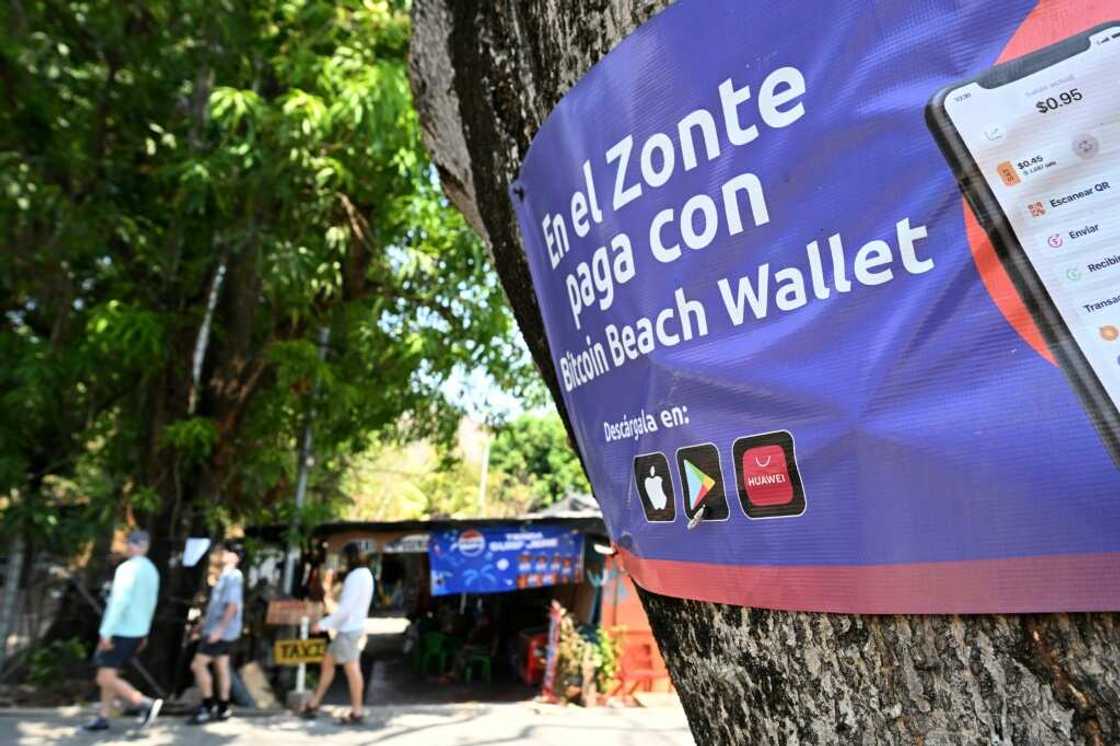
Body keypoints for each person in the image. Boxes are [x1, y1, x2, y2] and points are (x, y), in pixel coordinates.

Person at [83, 530, 163, 732]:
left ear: (137, 546)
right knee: (108, 673)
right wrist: (144, 632)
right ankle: (103, 717)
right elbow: (150, 604)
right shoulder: (152, 570)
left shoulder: (127, 569)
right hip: (137, 632)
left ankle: (145, 704)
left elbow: (119, 603)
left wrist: (106, 633)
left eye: (132, 543)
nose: (129, 546)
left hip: (120, 631)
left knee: (104, 678)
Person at [300, 543, 374, 725]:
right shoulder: (366, 574)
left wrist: (322, 625)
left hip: (349, 629)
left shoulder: (355, 577)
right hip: (351, 628)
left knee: (352, 669)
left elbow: (344, 610)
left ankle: (357, 712)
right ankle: (314, 703)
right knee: (328, 663)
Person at [187, 541, 245, 725]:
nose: (222, 554)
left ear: (235, 556)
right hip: (218, 629)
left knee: (198, 665)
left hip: (221, 631)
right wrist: (203, 624)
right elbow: (217, 606)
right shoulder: (225, 575)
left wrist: (219, 630)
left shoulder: (233, 576)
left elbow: (232, 606)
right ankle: (223, 706)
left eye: (226, 552)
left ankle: (207, 704)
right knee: (221, 666)